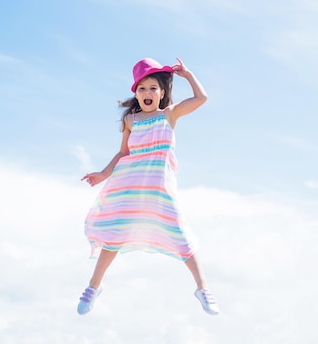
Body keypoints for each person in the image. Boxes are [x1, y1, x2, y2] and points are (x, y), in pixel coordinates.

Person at [78, 57, 219, 315]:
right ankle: (93, 287)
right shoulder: (130, 121)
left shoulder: (170, 114)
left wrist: (187, 75)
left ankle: (203, 288)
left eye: (153, 88)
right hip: (129, 186)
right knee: (113, 237)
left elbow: (202, 98)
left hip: (159, 189)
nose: (147, 93)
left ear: (162, 93)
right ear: (136, 93)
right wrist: (103, 174)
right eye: (142, 88)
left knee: (181, 236)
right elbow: (122, 154)